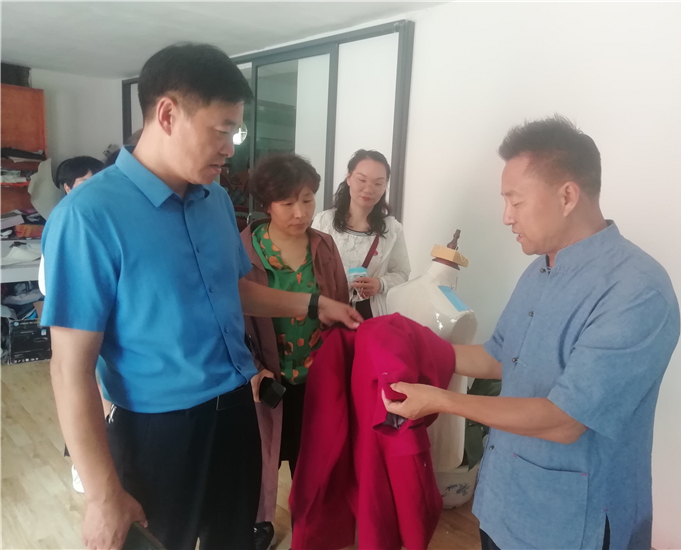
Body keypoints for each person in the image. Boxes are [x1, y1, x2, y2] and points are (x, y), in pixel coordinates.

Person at [41, 42, 361, 550]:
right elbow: (69, 368)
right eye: (222, 130)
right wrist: (103, 496)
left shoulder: (215, 201)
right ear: (168, 115)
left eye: (236, 132)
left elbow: (231, 291)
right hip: (157, 432)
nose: (230, 148)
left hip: (235, 411)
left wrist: (314, 304)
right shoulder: (89, 216)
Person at [383, 116, 680, 550]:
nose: (506, 217)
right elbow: (498, 357)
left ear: (567, 196)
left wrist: (441, 400)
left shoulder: (637, 290)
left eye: (516, 201)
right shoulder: (540, 269)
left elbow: (564, 421)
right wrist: (412, 345)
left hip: (571, 520)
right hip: (502, 499)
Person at [240, 153, 350, 550]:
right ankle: (260, 522)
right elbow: (232, 320)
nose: (300, 213)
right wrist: (251, 368)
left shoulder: (323, 246)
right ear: (267, 204)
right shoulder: (245, 250)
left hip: (317, 376)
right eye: (288, 203)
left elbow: (338, 303)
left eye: (307, 200)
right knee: (261, 457)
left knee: (313, 457)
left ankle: (312, 520)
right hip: (265, 377)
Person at [39, 155, 105, 493]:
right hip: (79, 324)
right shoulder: (68, 221)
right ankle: (83, 466)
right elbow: (47, 286)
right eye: (85, 182)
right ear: (68, 188)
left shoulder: (102, 217)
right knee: (83, 391)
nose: (97, 188)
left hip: (103, 328)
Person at [311, 149, 410, 319]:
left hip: (369, 314)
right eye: (361, 180)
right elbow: (310, 267)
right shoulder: (324, 221)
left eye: (378, 183)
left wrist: (380, 284)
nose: (368, 189)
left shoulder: (392, 229)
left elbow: (402, 273)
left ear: (385, 186)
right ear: (349, 178)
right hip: (328, 310)